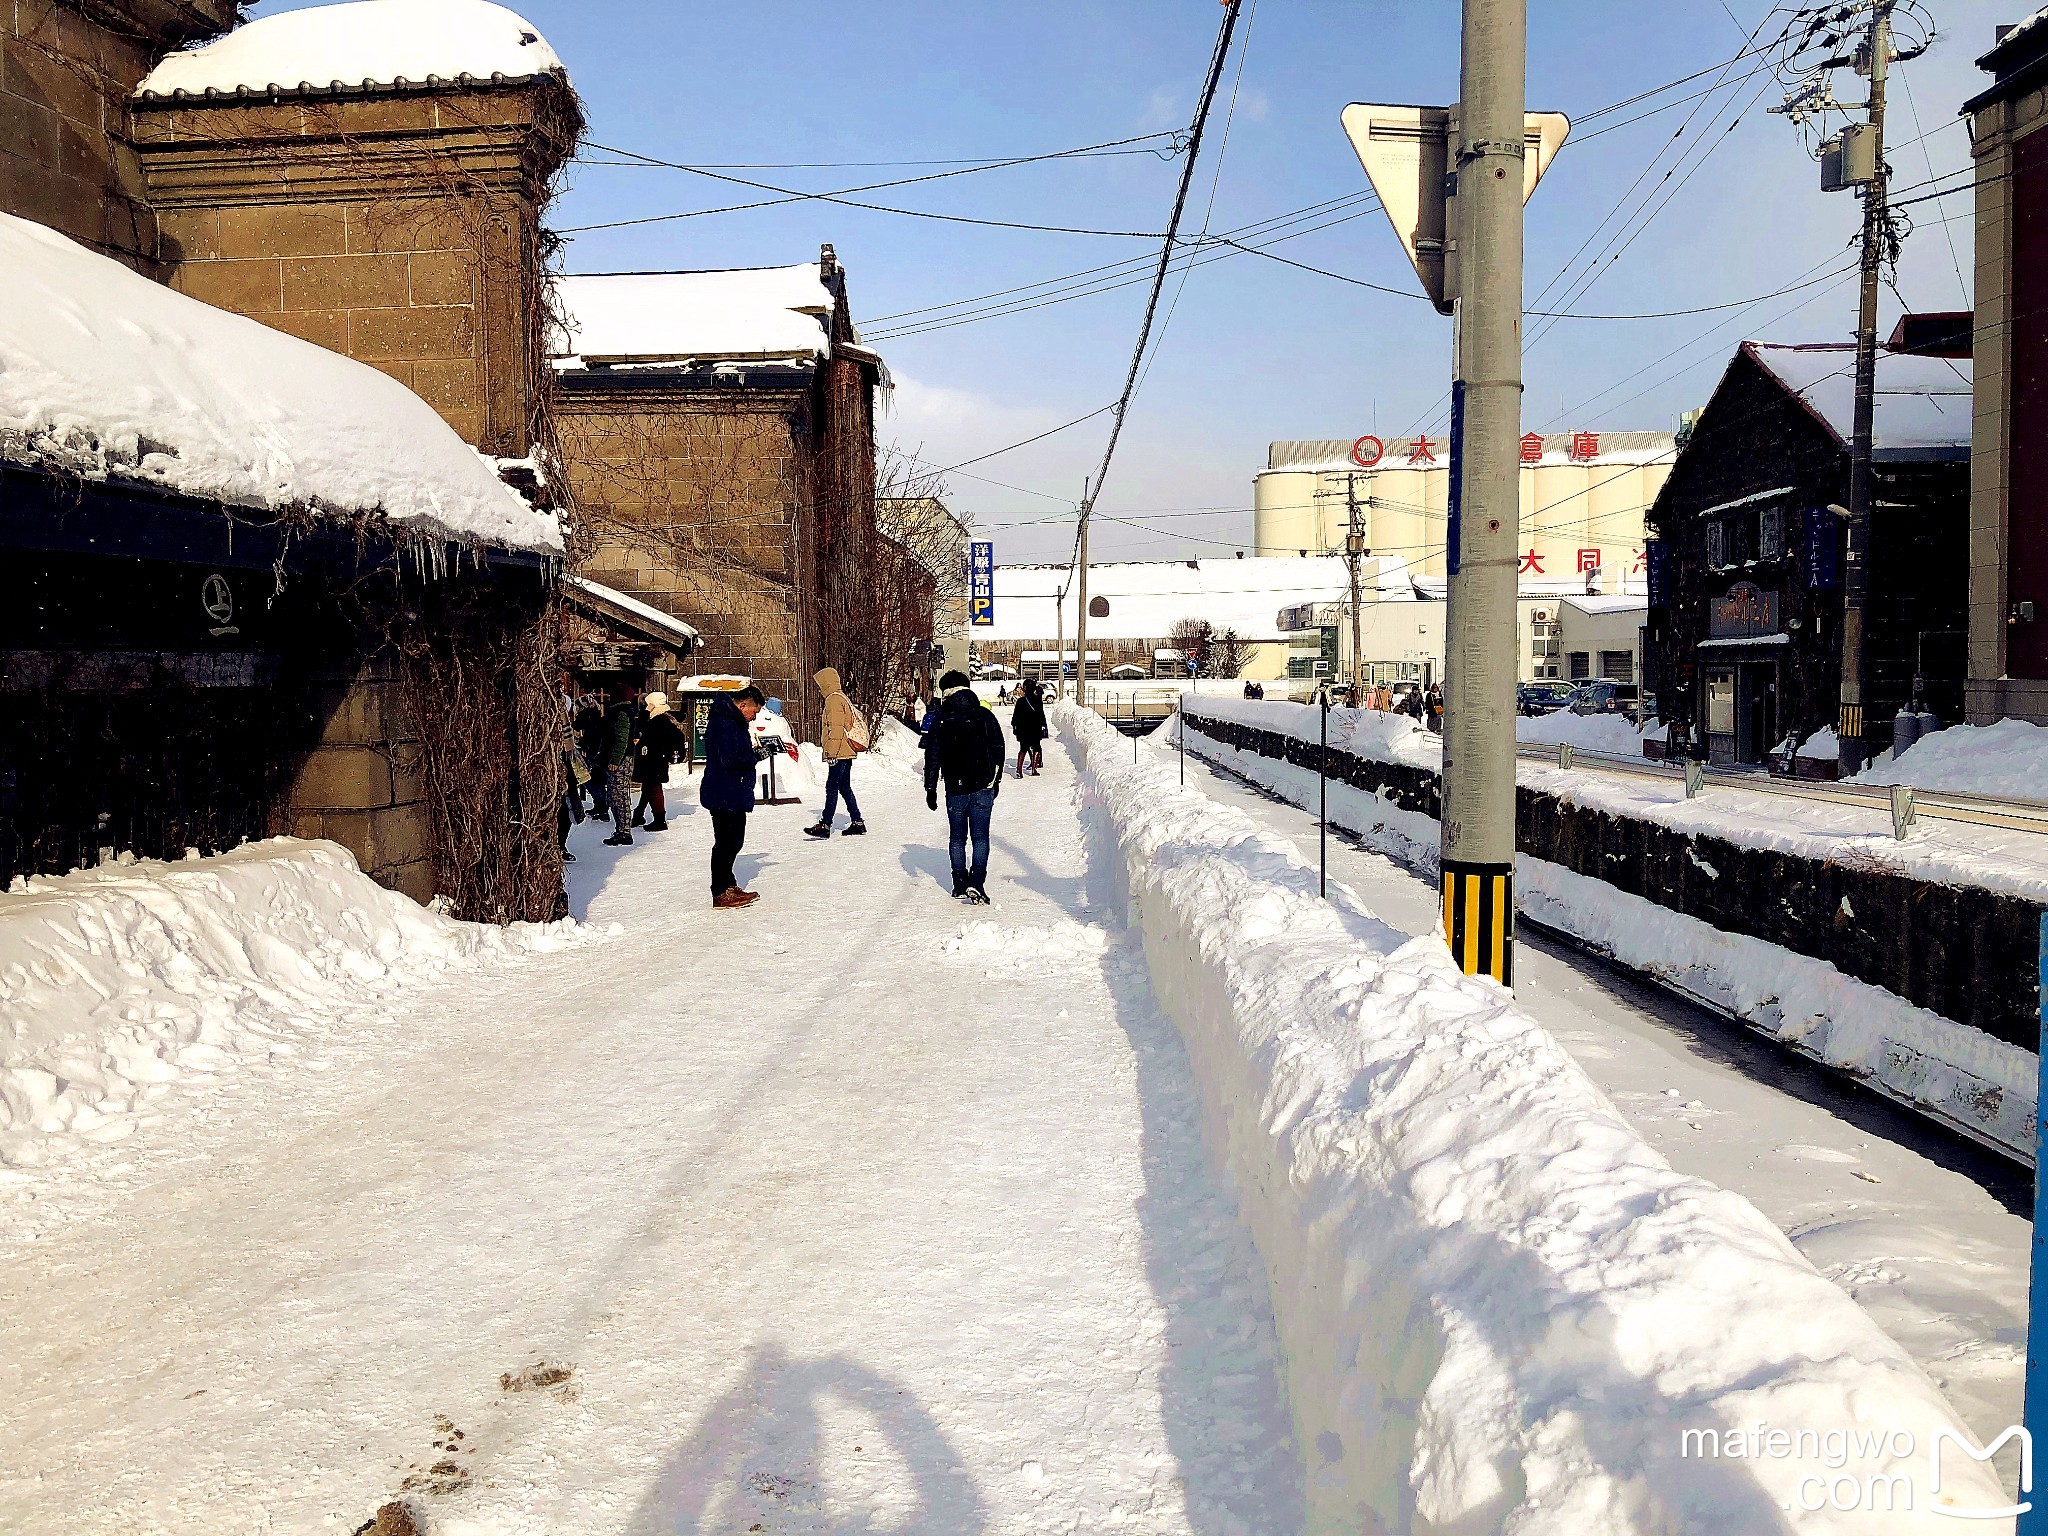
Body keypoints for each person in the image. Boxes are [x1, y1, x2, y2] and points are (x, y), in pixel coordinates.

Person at [924, 669, 1006, 903]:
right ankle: (977, 882)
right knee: (980, 837)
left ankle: (959, 883)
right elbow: (998, 748)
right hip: (984, 786)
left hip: (955, 788)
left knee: (957, 838)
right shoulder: (984, 714)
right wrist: (996, 779)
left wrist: (930, 788)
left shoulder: (941, 718)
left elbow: (933, 755)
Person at [702, 684, 771, 909]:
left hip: (730, 790)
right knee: (727, 843)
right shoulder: (726, 723)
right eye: (754, 711)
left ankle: (728, 886)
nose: (754, 716)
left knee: (732, 841)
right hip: (725, 791)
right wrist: (756, 755)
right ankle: (721, 892)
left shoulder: (732, 721)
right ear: (742, 705)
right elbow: (730, 759)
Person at [806, 667, 868, 839]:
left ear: (826, 683)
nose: (819, 689)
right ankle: (857, 822)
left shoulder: (833, 700)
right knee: (844, 787)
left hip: (839, 752)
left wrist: (831, 753)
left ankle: (825, 825)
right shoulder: (841, 697)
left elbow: (835, 729)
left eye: (820, 685)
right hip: (845, 751)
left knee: (831, 787)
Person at [630, 691, 689, 832]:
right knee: (648, 787)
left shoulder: (659, 721)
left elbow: (640, 727)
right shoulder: (663, 719)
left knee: (654, 788)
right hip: (655, 760)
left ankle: (659, 819)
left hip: (654, 760)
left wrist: (645, 712)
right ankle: (639, 814)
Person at [600, 683, 640, 846]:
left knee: (620, 795)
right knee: (615, 795)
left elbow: (622, 739)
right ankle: (621, 830)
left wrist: (615, 760)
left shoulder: (621, 713)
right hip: (618, 759)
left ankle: (624, 832)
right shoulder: (620, 712)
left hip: (621, 760)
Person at [1011, 678, 1048, 777]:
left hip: (1023, 729)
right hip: (1035, 728)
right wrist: (1044, 725)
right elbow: (1041, 714)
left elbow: (1015, 716)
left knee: (1023, 748)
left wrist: (1014, 726)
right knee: (1036, 747)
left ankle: (1019, 770)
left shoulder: (1021, 701)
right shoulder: (1038, 701)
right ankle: (1034, 769)